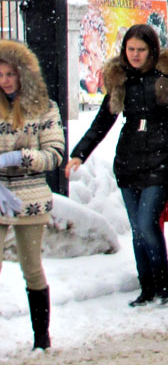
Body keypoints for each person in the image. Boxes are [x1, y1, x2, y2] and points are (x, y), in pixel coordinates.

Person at [66, 24, 168, 307]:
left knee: (148, 224)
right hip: (129, 160)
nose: (135, 55)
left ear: (152, 50)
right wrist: (79, 153)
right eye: (130, 49)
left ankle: (163, 285)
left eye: (141, 50)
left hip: (162, 159)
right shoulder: (120, 79)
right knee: (138, 229)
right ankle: (146, 288)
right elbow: (103, 120)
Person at [0, 39, 65, 350]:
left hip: (31, 195)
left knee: (32, 267)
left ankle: (42, 338)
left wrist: (21, 157)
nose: (5, 81)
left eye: (10, 74)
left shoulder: (44, 107)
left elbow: (54, 154)